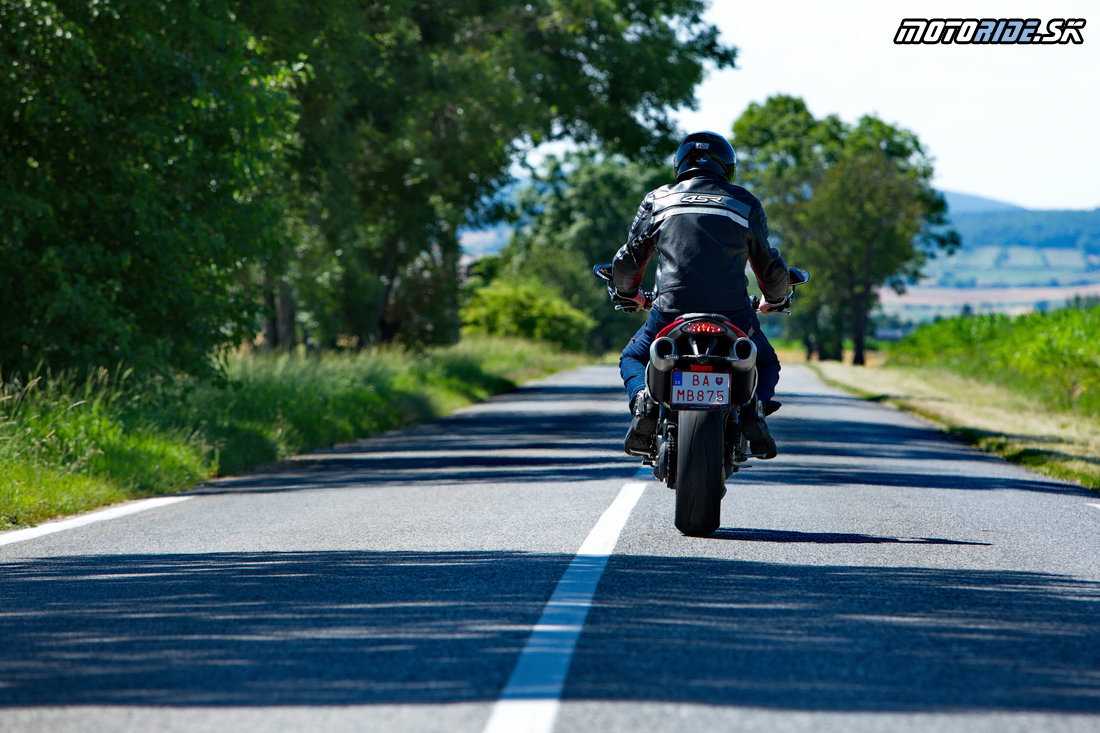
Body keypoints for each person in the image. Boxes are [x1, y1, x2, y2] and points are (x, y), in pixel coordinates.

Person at [611, 130, 790, 459]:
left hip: (670, 310)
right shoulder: (743, 202)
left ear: (680, 165)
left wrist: (628, 294)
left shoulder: (658, 199)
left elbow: (629, 259)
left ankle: (643, 402)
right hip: (733, 311)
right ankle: (755, 411)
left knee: (634, 357)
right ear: (726, 167)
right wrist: (776, 298)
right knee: (764, 361)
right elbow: (768, 263)